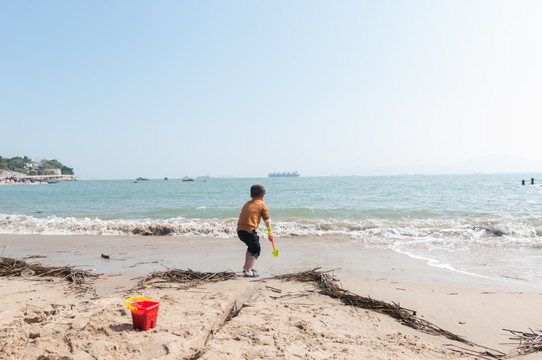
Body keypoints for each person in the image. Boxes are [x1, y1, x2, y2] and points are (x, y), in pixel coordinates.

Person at [237, 184, 274, 278]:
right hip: (249, 230)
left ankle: (246, 266)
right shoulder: (261, 204)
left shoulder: (247, 203)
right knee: (256, 249)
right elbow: (267, 219)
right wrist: (270, 233)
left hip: (240, 231)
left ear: (250, 195)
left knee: (250, 247)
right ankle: (248, 271)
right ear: (263, 196)